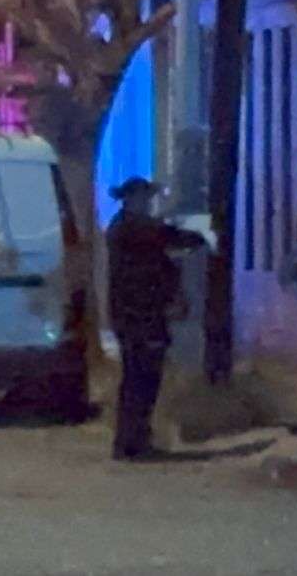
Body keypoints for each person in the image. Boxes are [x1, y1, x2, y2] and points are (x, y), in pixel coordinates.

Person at [104, 177, 205, 461]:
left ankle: (134, 439)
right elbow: (169, 237)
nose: (146, 202)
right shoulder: (131, 228)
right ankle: (132, 441)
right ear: (130, 199)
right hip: (139, 314)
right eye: (142, 197)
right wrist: (198, 238)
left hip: (140, 313)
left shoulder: (128, 227)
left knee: (141, 379)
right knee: (141, 379)